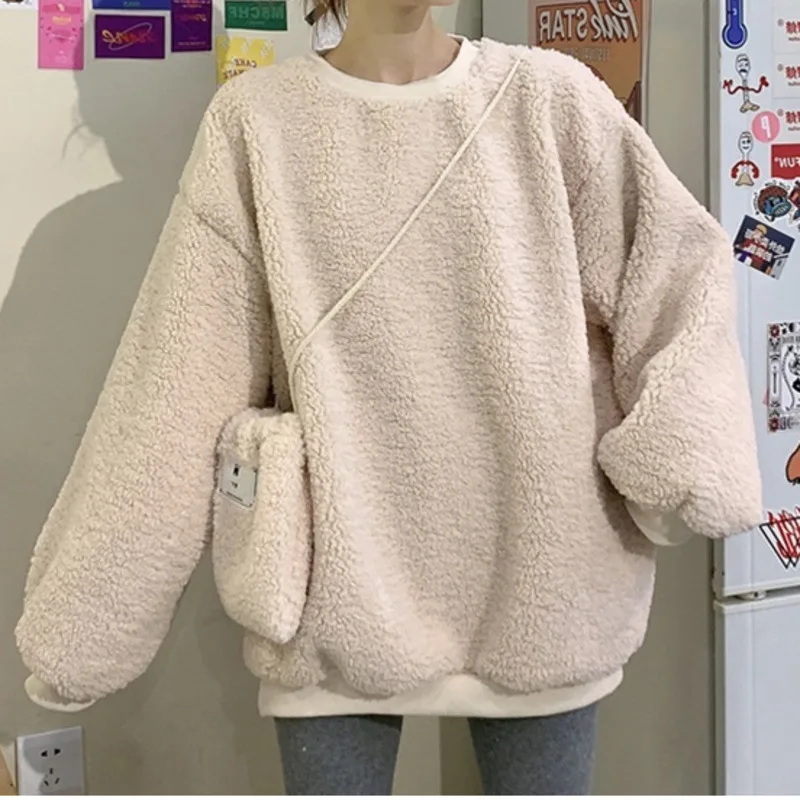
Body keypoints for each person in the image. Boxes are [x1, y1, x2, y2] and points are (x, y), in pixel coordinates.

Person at [17, 0, 762, 794]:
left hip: (543, 580)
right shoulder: (258, 124)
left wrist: (677, 462)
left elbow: (677, 273)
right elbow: (173, 384)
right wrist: (86, 627)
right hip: (338, 594)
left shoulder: (551, 99)